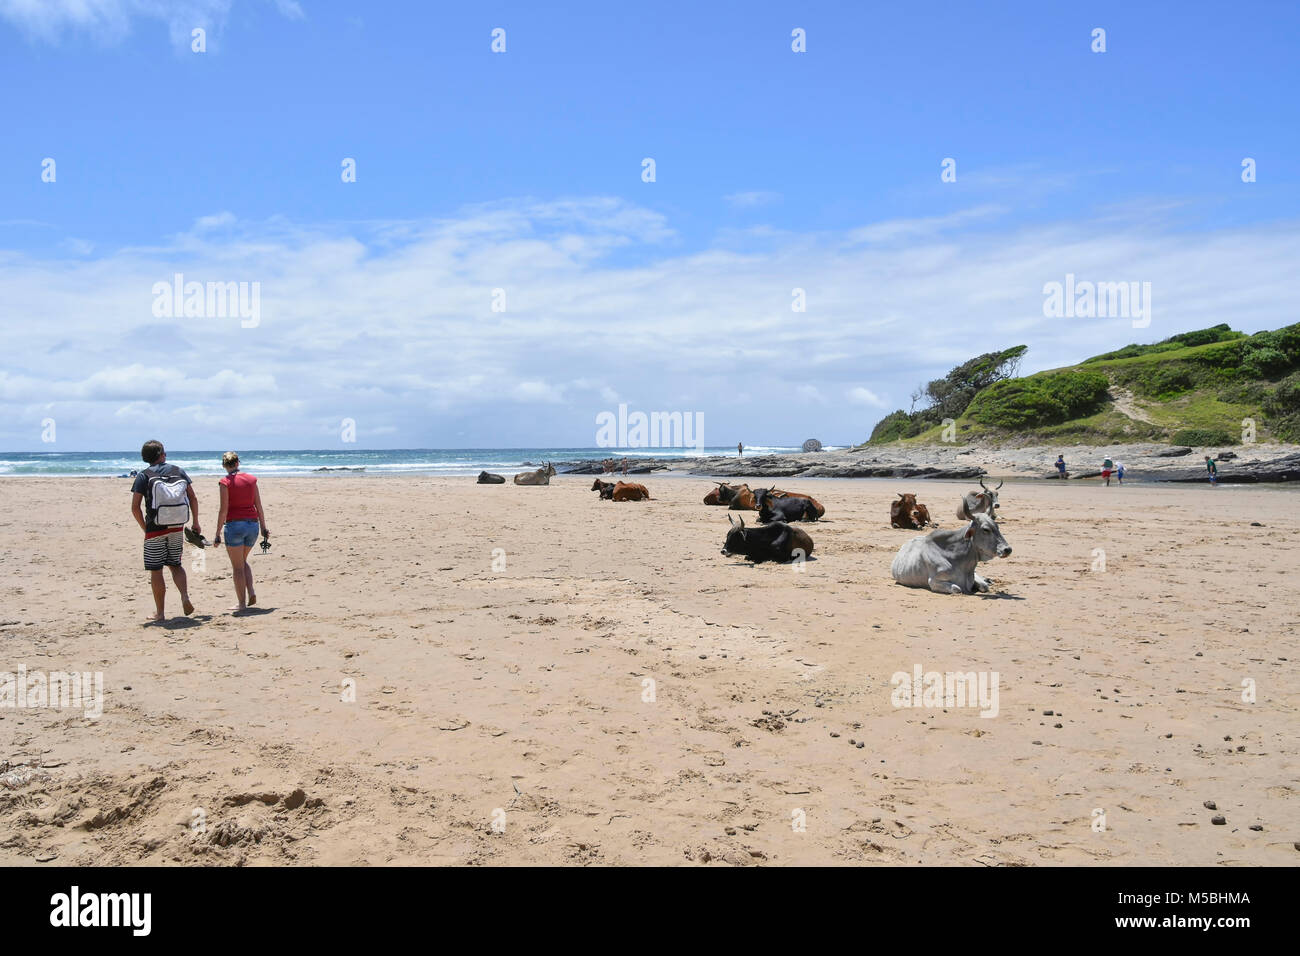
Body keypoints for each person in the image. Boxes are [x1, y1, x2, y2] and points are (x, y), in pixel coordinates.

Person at [130, 440, 199, 622]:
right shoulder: (178, 471)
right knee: (176, 564)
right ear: (161, 454)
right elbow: (193, 497)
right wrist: (196, 522)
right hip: (177, 525)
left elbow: (135, 507)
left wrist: (145, 529)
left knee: (156, 570)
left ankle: (160, 613)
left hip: (155, 528)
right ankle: (184, 596)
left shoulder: (144, 476)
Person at [213, 451, 269, 613]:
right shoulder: (251, 480)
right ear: (238, 463)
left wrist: (217, 533)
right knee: (243, 561)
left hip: (234, 526)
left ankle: (242, 603)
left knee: (237, 567)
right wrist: (264, 527)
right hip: (252, 525)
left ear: (224, 465)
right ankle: (251, 591)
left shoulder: (225, 482)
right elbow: (258, 505)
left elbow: (223, 510)